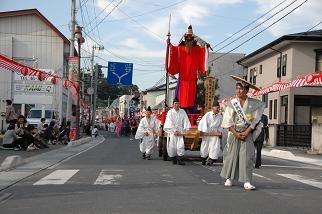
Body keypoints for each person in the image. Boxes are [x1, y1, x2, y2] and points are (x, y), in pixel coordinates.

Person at [220, 75, 265, 190]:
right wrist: (236, 133)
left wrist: (246, 132)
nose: (238, 91)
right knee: (231, 155)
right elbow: (227, 121)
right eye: (237, 88)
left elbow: (255, 121)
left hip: (247, 134)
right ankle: (229, 178)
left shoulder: (254, 104)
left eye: (241, 88)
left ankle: (247, 181)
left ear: (246, 90)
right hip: (234, 133)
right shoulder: (232, 103)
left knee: (247, 157)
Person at [167, 25, 208, 110]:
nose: (189, 40)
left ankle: (191, 111)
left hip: (192, 80)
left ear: (193, 40)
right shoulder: (179, 49)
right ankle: (180, 109)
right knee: (180, 99)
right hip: (182, 80)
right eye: (187, 38)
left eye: (190, 38)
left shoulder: (197, 50)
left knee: (192, 100)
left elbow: (203, 51)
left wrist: (206, 48)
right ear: (185, 39)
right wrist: (169, 45)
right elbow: (173, 50)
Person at [163, 98, 191, 165]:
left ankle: (180, 159)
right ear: (173, 104)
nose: (177, 105)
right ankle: (173, 158)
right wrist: (174, 131)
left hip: (180, 131)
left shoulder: (183, 111)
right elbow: (169, 122)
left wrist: (187, 129)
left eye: (178, 103)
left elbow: (186, 120)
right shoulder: (170, 112)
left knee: (180, 146)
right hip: (173, 132)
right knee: (172, 146)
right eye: (175, 103)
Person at [198, 100, 223, 166]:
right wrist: (203, 131)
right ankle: (203, 159)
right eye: (217, 107)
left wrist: (219, 132)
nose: (218, 109)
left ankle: (211, 160)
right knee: (205, 147)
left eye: (219, 108)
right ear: (213, 108)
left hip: (215, 134)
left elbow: (221, 126)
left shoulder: (220, 116)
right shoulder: (208, 115)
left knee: (215, 147)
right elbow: (202, 123)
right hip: (207, 133)